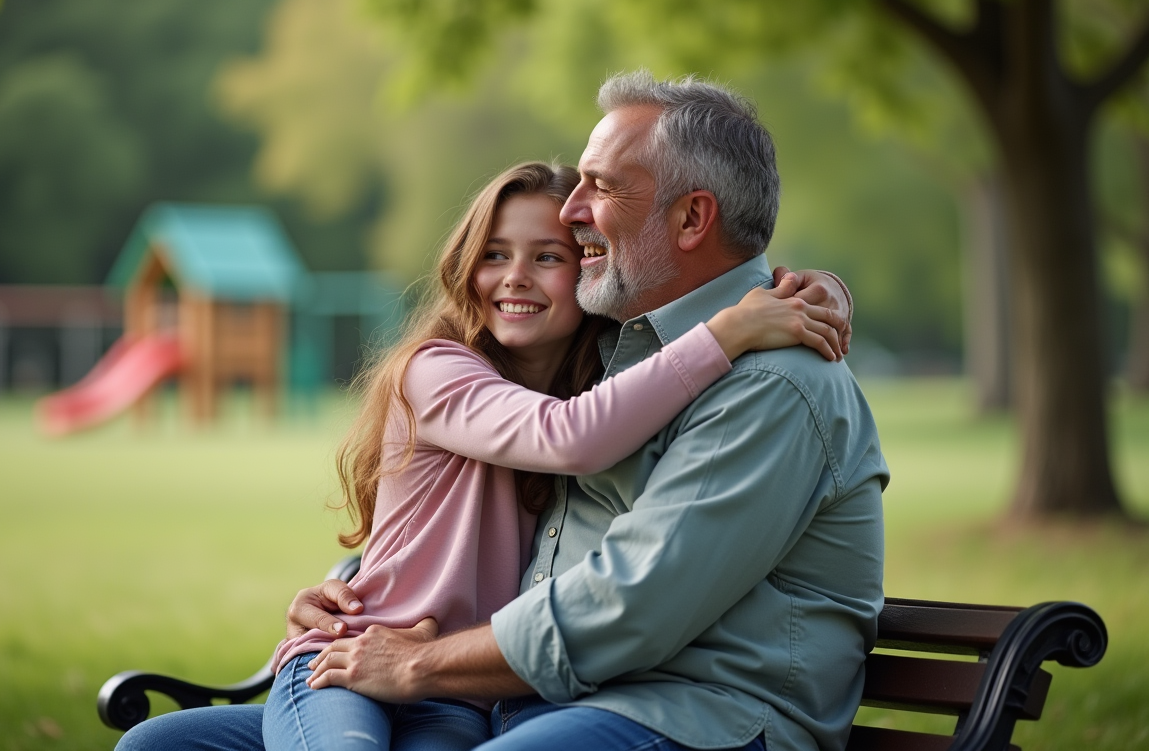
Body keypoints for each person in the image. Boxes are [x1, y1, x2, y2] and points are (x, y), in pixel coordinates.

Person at [114, 160, 851, 751]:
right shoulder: (438, 371)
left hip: (454, 695)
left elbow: (689, 296)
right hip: (350, 661)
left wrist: (818, 288)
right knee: (154, 744)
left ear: (588, 268)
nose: (515, 277)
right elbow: (568, 437)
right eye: (494, 255)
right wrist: (727, 332)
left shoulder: (609, 386)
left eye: (547, 256)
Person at [292, 72, 888, 751]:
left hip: (693, 718)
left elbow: (632, 606)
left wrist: (419, 663)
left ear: (692, 218)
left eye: (601, 186)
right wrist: (349, 596)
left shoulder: (774, 383)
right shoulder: (609, 351)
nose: (572, 211)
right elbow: (460, 515)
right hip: (540, 709)